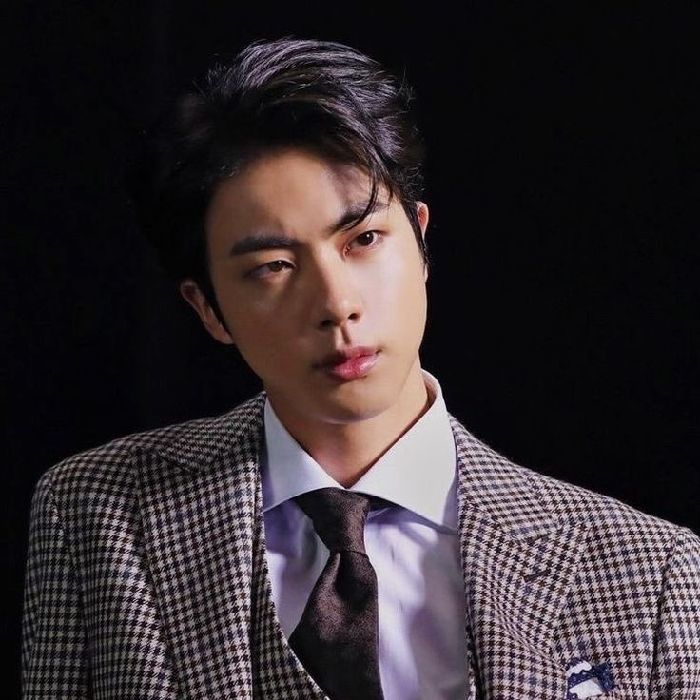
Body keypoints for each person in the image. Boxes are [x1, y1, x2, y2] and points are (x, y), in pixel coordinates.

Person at [22, 37, 699, 700]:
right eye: (273, 267)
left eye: (364, 239)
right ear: (208, 308)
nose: (336, 303)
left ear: (422, 240)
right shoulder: (98, 515)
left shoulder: (652, 572)